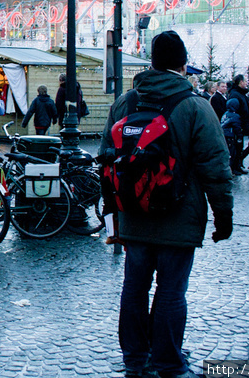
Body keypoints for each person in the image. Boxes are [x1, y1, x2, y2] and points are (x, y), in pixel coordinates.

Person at [100, 30, 233, 378]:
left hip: (133, 212)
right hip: (179, 212)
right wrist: (224, 215)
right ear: (183, 63)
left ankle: (134, 355)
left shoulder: (125, 102)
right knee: (171, 291)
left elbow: (106, 160)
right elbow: (216, 167)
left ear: (152, 62)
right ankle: (168, 362)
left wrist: (112, 212)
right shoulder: (195, 106)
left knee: (134, 287)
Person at [221, 98, 245, 175]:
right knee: (233, 153)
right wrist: (239, 137)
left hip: (225, 135)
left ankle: (233, 168)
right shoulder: (235, 115)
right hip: (231, 136)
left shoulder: (225, 114)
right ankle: (232, 169)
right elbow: (237, 127)